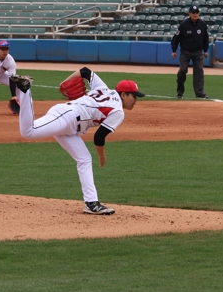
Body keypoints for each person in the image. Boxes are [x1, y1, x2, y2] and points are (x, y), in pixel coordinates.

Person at [15, 67, 145, 215]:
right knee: (28, 131)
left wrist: (65, 81)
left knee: (84, 159)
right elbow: (99, 137)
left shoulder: (103, 87)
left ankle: (91, 203)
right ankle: (25, 91)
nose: (136, 100)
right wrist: (102, 156)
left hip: (69, 124)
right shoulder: (118, 111)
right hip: (66, 117)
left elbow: (85, 71)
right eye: (134, 96)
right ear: (123, 95)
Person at [171, 5, 209, 100]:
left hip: (198, 52)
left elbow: (205, 38)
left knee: (199, 71)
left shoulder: (202, 25)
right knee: (182, 71)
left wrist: (205, 50)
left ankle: (200, 93)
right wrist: (174, 50)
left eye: (197, 12)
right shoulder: (184, 25)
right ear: (189, 14)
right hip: (185, 52)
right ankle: (180, 92)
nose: (195, 14)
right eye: (193, 13)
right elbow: (176, 38)